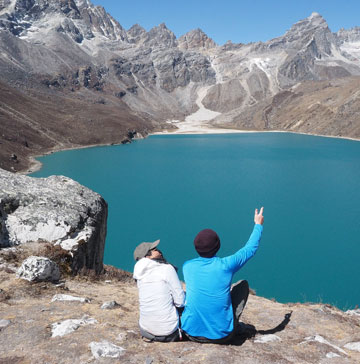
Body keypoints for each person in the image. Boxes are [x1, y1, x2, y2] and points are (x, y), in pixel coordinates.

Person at [181, 207, 264, 343]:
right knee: (243, 286)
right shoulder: (226, 265)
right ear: (217, 246)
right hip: (221, 336)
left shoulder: (187, 266)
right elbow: (250, 249)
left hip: (190, 332)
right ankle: (233, 325)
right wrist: (258, 225)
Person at [133, 239, 185, 342]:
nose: (159, 251)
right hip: (169, 332)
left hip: (146, 330)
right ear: (147, 255)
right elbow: (180, 302)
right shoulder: (167, 269)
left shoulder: (138, 273)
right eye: (155, 249)